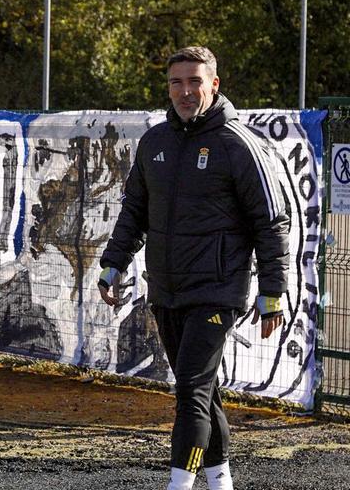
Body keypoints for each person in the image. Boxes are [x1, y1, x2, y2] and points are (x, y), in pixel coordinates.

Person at [98, 46, 289, 490]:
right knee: (203, 393)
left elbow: (271, 223)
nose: (185, 91)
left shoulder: (238, 145)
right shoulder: (154, 142)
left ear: (214, 85)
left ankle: (179, 485)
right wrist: (113, 266)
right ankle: (221, 482)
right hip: (166, 290)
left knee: (189, 393)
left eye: (194, 81)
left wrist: (272, 292)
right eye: (176, 82)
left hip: (218, 291)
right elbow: (133, 215)